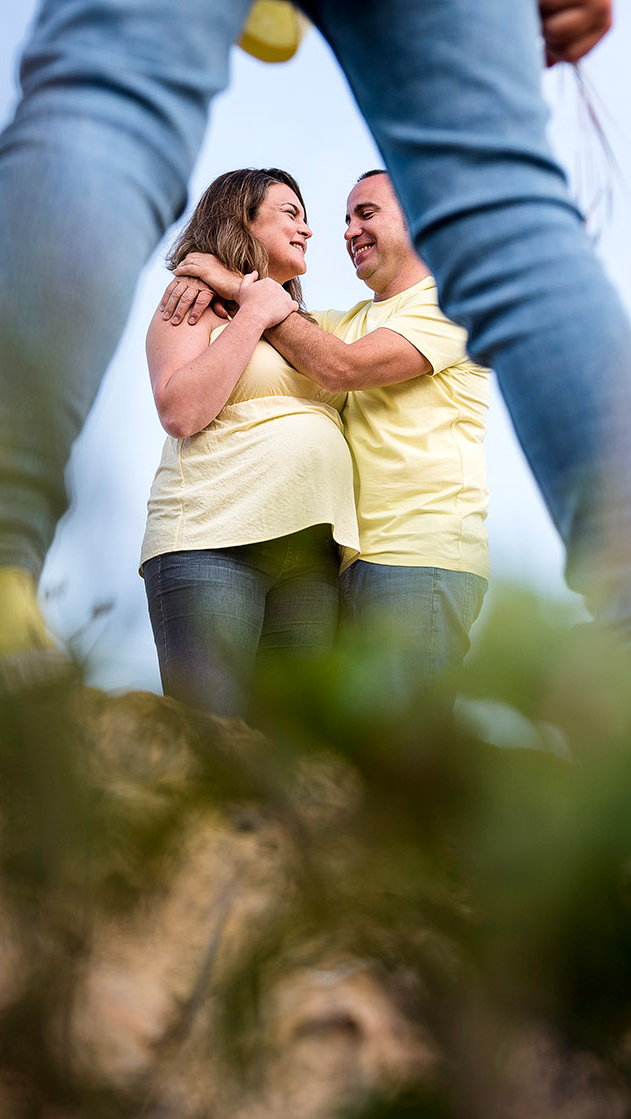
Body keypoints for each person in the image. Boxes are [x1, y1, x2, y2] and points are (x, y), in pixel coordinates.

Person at [0, 0, 631, 781]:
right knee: (503, 212)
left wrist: (240, 288)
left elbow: (334, 361)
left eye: (349, 214)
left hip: (353, 554)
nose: (330, 231)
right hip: (243, 544)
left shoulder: (366, 319)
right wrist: (236, 290)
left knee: (109, 102)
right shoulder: (280, 313)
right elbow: (234, 377)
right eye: (312, 215)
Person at [159, 169, 491, 707]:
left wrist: (235, 285)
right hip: (348, 559)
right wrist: (215, 277)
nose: (345, 231)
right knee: (341, 744)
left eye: (367, 213)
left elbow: (340, 366)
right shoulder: (345, 322)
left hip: (416, 554)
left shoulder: (454, 306)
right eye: (345, 219)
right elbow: (283, 324)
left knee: (405, 741)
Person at [139, 169, 358, 717]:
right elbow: (180, 412)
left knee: (291, 745)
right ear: (242, 219)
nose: (307, 230)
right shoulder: (192, 307)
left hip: (310, 556)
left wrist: (260, 300)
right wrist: (253, 309)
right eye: (290, 214)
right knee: (210, 734)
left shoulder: (304, 326)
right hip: (213, 542)